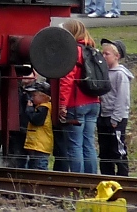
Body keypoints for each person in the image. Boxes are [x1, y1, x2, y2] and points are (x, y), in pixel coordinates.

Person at [56, 18, 101, 174]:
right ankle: (92, 177)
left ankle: (78, 178)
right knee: (88, 143)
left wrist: (62, 104)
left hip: (76, 103)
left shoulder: (73, 51)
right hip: (94, 101)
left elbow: (67, 79)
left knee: (74, 145)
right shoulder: (93, 49)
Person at [98, 38, 133, 176]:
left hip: (115, 118)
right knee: (104, 151)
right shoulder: (104, 73)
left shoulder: (120, 74)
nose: (104, 56)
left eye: (107, 54)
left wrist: (115, 118)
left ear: (117, 56)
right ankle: (107, 177)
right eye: (103, 53)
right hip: (103, 116)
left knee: (117, 150)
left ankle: (123, 177)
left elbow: (122, 99)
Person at [23, 80, 53, 170]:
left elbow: (36, 120)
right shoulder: (40, 107)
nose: (31, 98)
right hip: (37, 145)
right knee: (33, 167)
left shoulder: (44, 108)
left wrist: (29, 110)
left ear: (44, 96)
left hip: (40, 146)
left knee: (40, 167)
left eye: (34, 95)